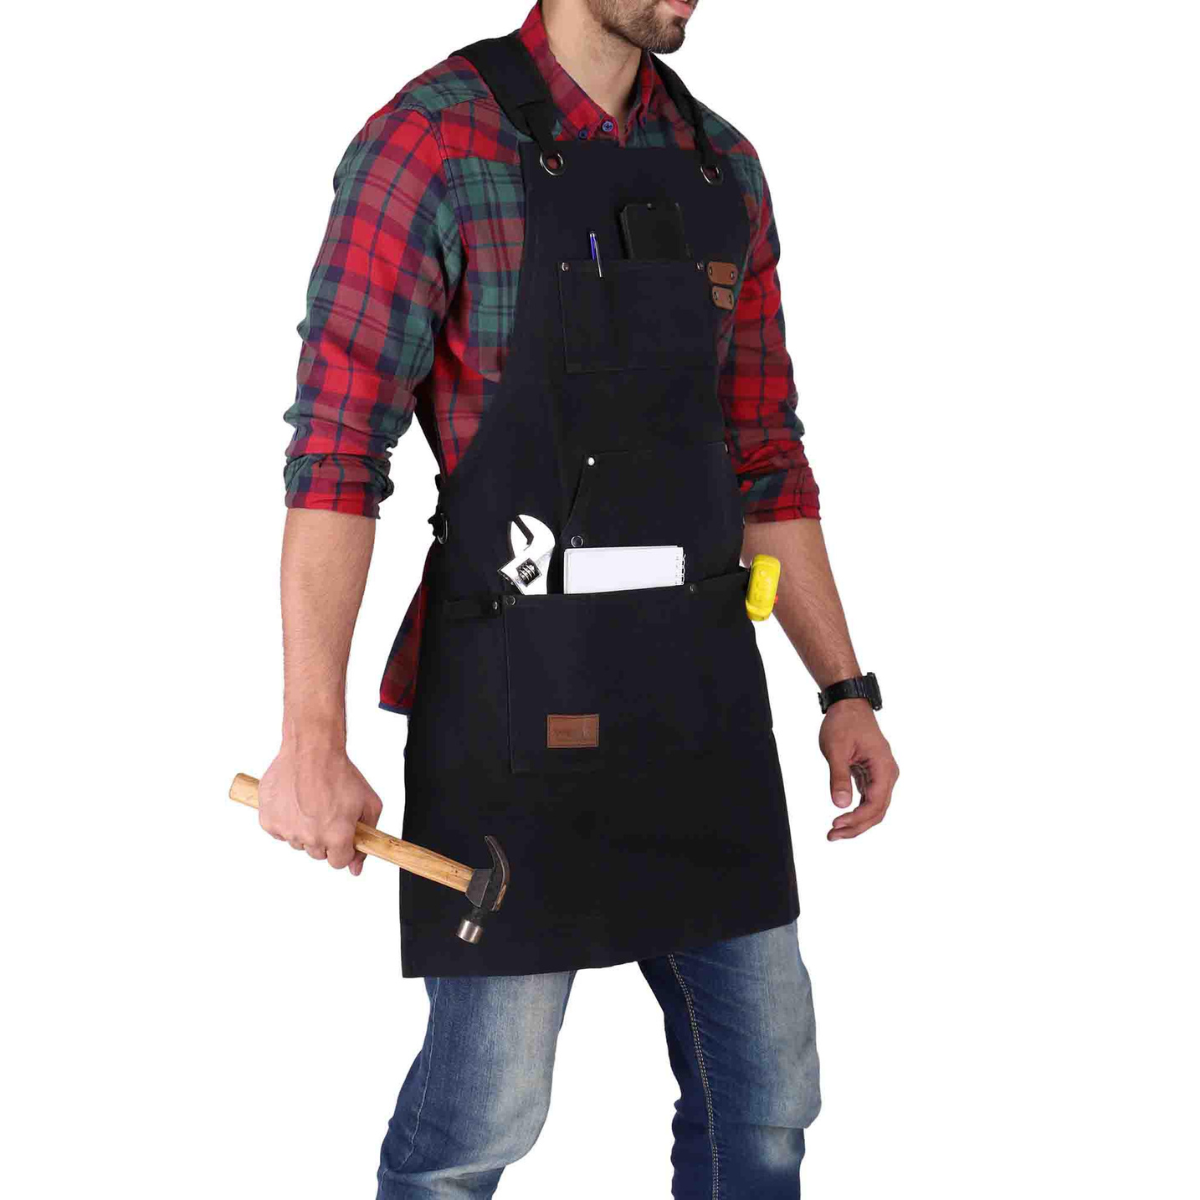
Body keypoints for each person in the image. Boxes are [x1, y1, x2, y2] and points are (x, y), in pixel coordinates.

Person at [257, 1, 900, 1195]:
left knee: (767, 1099)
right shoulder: (432, 145)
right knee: (483, 1118)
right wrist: (311, 737)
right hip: (516, 712)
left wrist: (843, 687)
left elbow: (765, 452)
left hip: (699, 713)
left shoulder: (722, 167)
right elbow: (338, 455)